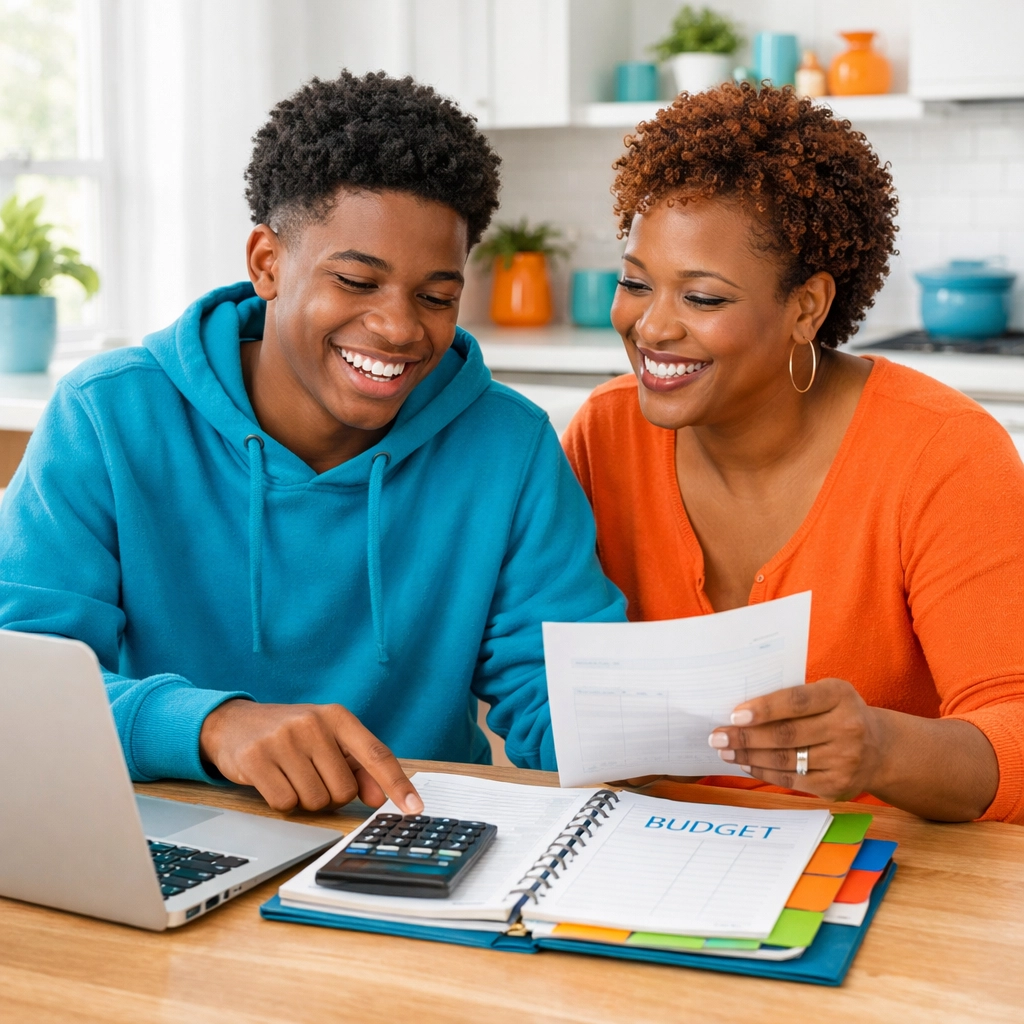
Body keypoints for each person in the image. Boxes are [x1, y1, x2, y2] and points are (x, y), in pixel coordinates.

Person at [0, 72, 624, 815]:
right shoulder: (108, 417)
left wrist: (698, 733)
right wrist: (210, 726)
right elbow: (24, 683)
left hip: (410, 840)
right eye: (358, 281)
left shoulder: (508, 446)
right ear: (266, 262)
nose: (399, 328)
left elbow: (558, 697)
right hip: (172, 832)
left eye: (436, 296)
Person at [564, 83, 1024, 824]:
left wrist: (881, 749)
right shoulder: (604, 435)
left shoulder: (942, 454)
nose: (650, 328)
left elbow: (1015, 727)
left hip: (894, 874)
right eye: (635, 283)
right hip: (655, 859)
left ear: (806, 307)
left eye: (703, 299)